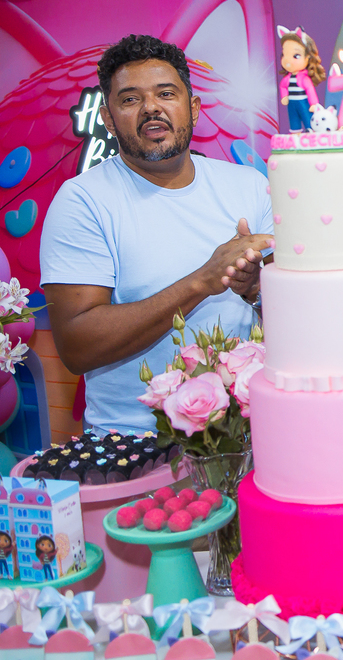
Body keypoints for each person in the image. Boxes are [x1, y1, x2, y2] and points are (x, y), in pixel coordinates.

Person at [40, 34, 273, 433]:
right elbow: (77, 347)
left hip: (251, 430)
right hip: (137, 441)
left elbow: (294, 316)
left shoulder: (249, 185)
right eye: (130, 99)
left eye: (166, 93)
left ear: (193, 108)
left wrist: (254, 289)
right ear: (108, 118)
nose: (151, 107)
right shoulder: (83, 201)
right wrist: (201, 281)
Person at [277, 26, 325, 133]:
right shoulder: (288, 79)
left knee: (307, 118)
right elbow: (282, 86)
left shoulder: (304, 79)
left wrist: (314, 104)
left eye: (296, 56)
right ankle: (295, 133)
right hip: (291, 104)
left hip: (303, 102)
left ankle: (311, 132)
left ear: (308, 57)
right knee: (293, 120)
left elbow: (310, 90)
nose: (288, 60)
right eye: (284, 54)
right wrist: (284, 96)